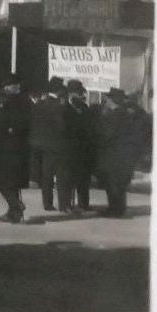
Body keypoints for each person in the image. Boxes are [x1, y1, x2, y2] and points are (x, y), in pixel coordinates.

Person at [0, 77, 34, 223]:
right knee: (7, 181)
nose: (5, 88)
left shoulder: (23, 101)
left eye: (8, 85)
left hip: (14, 147)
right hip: (4, 146)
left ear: (16, 86)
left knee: (4, 180)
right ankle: (14, 212)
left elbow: (24, 121)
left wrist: (13, 129)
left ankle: (15, 204)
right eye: (4, 86)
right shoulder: (8, 100)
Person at [95, 88, 146, 218]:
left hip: (113, 155)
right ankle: (119, 209)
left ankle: (114, 210)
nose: (106, 102)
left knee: (112, 184)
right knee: (121, 185)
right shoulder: (129, 115)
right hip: (126, 155)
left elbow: (106, 135)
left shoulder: (112, 116)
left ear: (112, 101)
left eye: (108, 99)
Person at [28, 79, 69, 212]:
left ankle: (47, 203)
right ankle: (64, 204)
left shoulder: (39, 103)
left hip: (41, 145)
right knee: (62, 176)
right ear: (59, 91)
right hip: (57, 145)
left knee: (47, 176)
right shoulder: (58, 105)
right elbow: (61, 126)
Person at [60, 80, 98, 214]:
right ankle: (65, 205)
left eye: (79, 92)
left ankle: (83, 204)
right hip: (68, 149)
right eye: (76, 92)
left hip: (83, 149)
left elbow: (90, 127)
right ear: (70, 93)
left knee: (83, 178)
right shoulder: (63, 108)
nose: (79, 95)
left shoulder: (84, 108)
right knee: (67, 178)